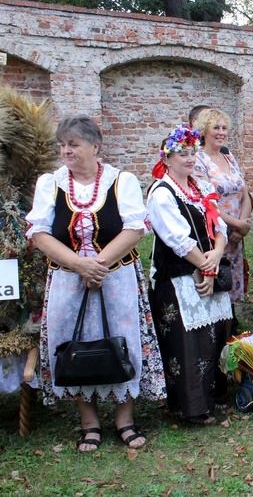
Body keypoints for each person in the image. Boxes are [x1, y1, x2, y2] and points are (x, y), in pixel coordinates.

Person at [25, 115, 166, 451]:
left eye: (72, 144)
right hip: (66, 277)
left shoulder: (122, 180)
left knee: (122, 341)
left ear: (95, 147)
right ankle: (89, 422)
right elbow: (39, 232)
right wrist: (77, 264)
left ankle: (124, 419)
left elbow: (135, 228)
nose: (65, 151)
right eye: (62, 145)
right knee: (71, 344)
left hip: (115, 277)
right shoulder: (51, 183)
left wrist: (98, 265)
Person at [147, 123, 233, 423]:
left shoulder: (202, 188)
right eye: (181, 154)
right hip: (179, 275)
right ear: (167, 158)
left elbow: (219, 227)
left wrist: (217, 256)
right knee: (188, 341)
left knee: (215, 336)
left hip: (206, 267)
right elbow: (177, 239)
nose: (189, 159)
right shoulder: (162, 193)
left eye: (192, 153)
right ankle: (192, 407)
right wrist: (204, 266)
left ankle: (216, 396)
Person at [192, 108, 253, 407]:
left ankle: (230, 371)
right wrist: (233, 224)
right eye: (214, 127)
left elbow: (245, 193)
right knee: (215, 304)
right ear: (203, 130)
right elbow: (207, 203)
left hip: (235, 240)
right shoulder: (199, 161)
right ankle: (212, 376)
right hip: (214, 236)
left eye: (223, 127)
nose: (220, 132)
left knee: (230, 304)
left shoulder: (229, 158)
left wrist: (243, 223)